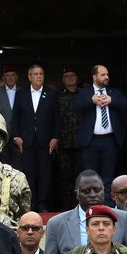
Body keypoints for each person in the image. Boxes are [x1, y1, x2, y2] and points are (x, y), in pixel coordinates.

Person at [72, 64, 127, 202]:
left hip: (110, 140)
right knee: (89, 176)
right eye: (103, 75)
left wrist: (112, 101)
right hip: (90, 141)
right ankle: (89, 204)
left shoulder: (113, 92)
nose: (106, 77)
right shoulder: (85, 92)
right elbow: (75, 105)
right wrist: (91, 100)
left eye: (107, 74)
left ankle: (107, 205)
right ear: (94, 77)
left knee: (108, 177)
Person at [10, 64, 59, 212]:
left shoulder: (51, 94)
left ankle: (42, 204)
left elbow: (57, 118)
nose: (39, 76)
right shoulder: (21, 94)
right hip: (26, 141)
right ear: (29, 77)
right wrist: (16, 136)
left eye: (41, 74)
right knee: (28, 174)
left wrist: (56, 137)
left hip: (45, 141)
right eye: (36, 74)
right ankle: (30, 203)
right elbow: (15, 118)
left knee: (44, 173)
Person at [56, 67, 83, 211]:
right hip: (64, 144)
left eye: (73, 75)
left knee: (81, 178)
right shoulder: (59, 96)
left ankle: (80, 206)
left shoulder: (85, 95)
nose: (70, 78)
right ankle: (66, 209)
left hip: (82, 144)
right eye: (67, 76)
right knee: (65, 179)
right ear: (63, 80)